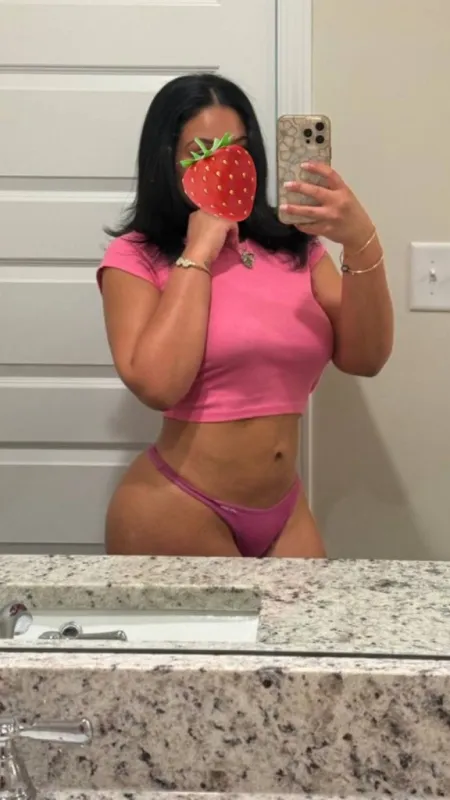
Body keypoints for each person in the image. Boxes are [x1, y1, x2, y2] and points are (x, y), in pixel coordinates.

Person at [97, 73, 393, 558]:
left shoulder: (295, 245)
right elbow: (158, 385)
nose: (223, 164)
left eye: (237, 148)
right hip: (176, 505)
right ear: (165, 161)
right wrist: (199, 250)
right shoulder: (136, 255)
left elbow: (366, 357)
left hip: (285, 510)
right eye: (201, 152)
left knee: (316, 613)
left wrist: (361, 240)